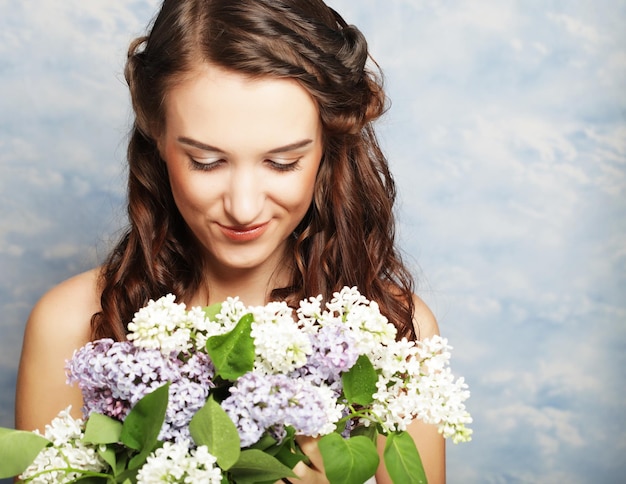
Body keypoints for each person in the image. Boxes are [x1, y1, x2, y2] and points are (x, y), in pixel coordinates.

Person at [15, 0, 445, 482]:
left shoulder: (396, 329)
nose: (243, 207)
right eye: (206, 161)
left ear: (329, 143)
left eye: (282, 163)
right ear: (156, 132)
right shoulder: (70, 325)